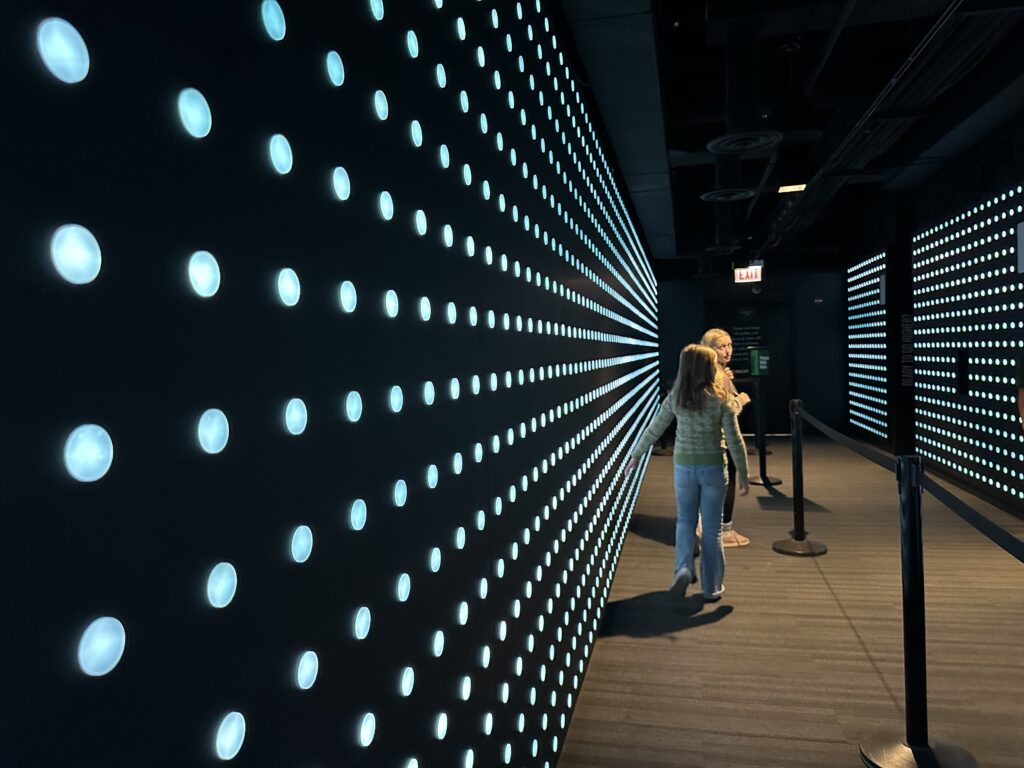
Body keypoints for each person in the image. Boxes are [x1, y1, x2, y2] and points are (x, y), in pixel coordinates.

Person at [625, 344, 749, 602]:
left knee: (685, 522)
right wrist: (745, 475)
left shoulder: (676, 398)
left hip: (683, 467)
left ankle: (683, 567)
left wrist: (635, 455)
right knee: (713, 531)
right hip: (714, 467)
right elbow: (735, 440)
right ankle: (712, 588)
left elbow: (654, 429)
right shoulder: (721, 400)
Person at [700, 329, 752, 547]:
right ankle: (723, 532)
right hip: (721, 439)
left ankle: (709, 527)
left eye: (729, 345)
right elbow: (722, 411)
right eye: (721, 346)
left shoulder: (712, 371)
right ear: (709, 349)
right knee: (725, 483)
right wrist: (740, 400)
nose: (727, 350)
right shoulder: (717, 374)